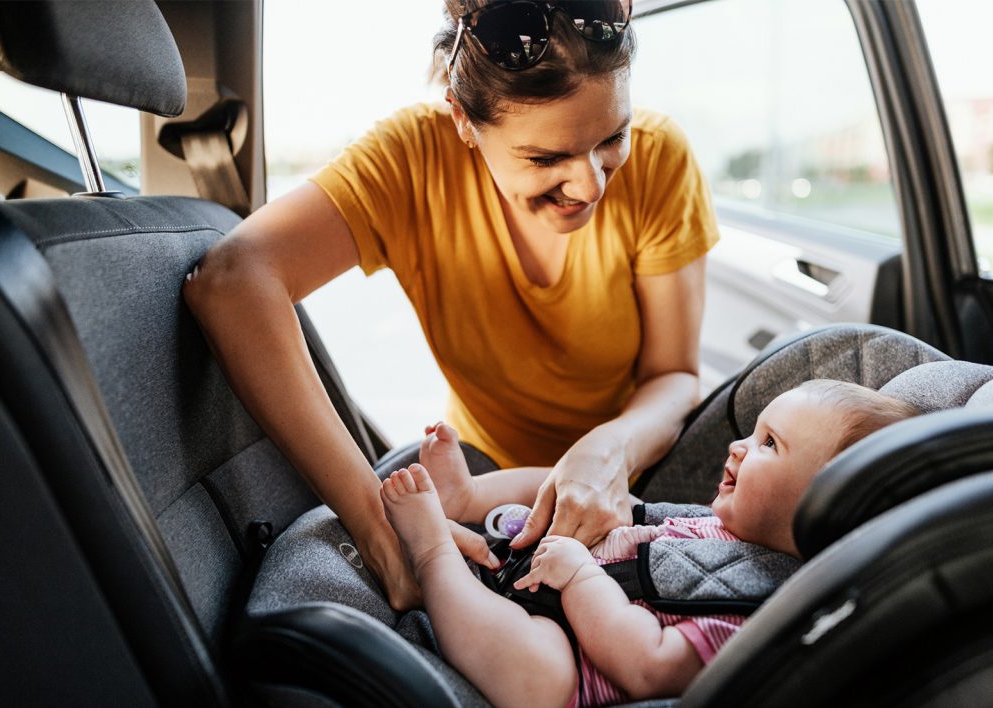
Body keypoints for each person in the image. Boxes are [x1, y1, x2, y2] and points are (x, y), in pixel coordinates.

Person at [183, 0, 718, 609]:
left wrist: (608, 449)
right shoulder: (413, 160)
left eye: (612, 139)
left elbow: (673, 376)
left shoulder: (662, 157)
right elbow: (230, 280)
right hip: (484, 481)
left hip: (636, 473)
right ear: (464, 121)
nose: (592, 184)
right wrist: (378, 529)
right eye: (546, 158)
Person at [381, 380, 921, 707]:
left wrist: (581, 577)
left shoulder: (757, 611)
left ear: (821, 508)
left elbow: (649, 664)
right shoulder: (719, 526)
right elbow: (637, 528)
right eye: (753, 432)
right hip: (549, 561)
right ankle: (466, 498)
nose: (736, 447)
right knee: (575, 484)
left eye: (768, 445)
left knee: (541, 681)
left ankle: (430, 555)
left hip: (569, 651)